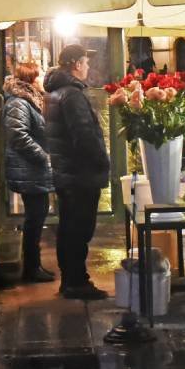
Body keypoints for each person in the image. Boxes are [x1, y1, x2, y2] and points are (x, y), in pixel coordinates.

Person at [45, 44, 110, 300]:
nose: (88, 66)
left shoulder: (55, 93)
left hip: (66, 173)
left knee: (68, 227)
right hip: (79, 174)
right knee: (79, 229)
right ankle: (76, 282)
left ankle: (70, 279)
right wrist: (102, 161)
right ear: (75, 64)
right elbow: (83, 136)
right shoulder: (71, 95)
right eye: (85, 61)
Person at [3, 61, 55, 282]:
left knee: (37, 215)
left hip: (33, 169)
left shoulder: (31, 100)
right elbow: (18, 135)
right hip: (30, 168)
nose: (43, 78)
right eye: (40, 74)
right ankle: (31, 268)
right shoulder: (20, 102)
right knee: (35, 217)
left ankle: (34, 266)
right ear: (31, 78)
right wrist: (43, 157)